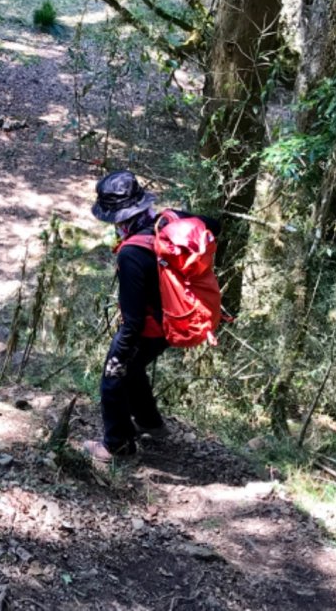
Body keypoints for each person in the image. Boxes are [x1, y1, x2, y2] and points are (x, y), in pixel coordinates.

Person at [84, 170, 220, 462]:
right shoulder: (169, 220)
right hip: (175, 320)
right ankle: (150, 423)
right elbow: (213, 225)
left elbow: (132, 321)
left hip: (148, 328)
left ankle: (117, 446)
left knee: (113, 379)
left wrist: (117, 356)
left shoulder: (131, 253)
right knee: (133, 370)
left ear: (118, 216)